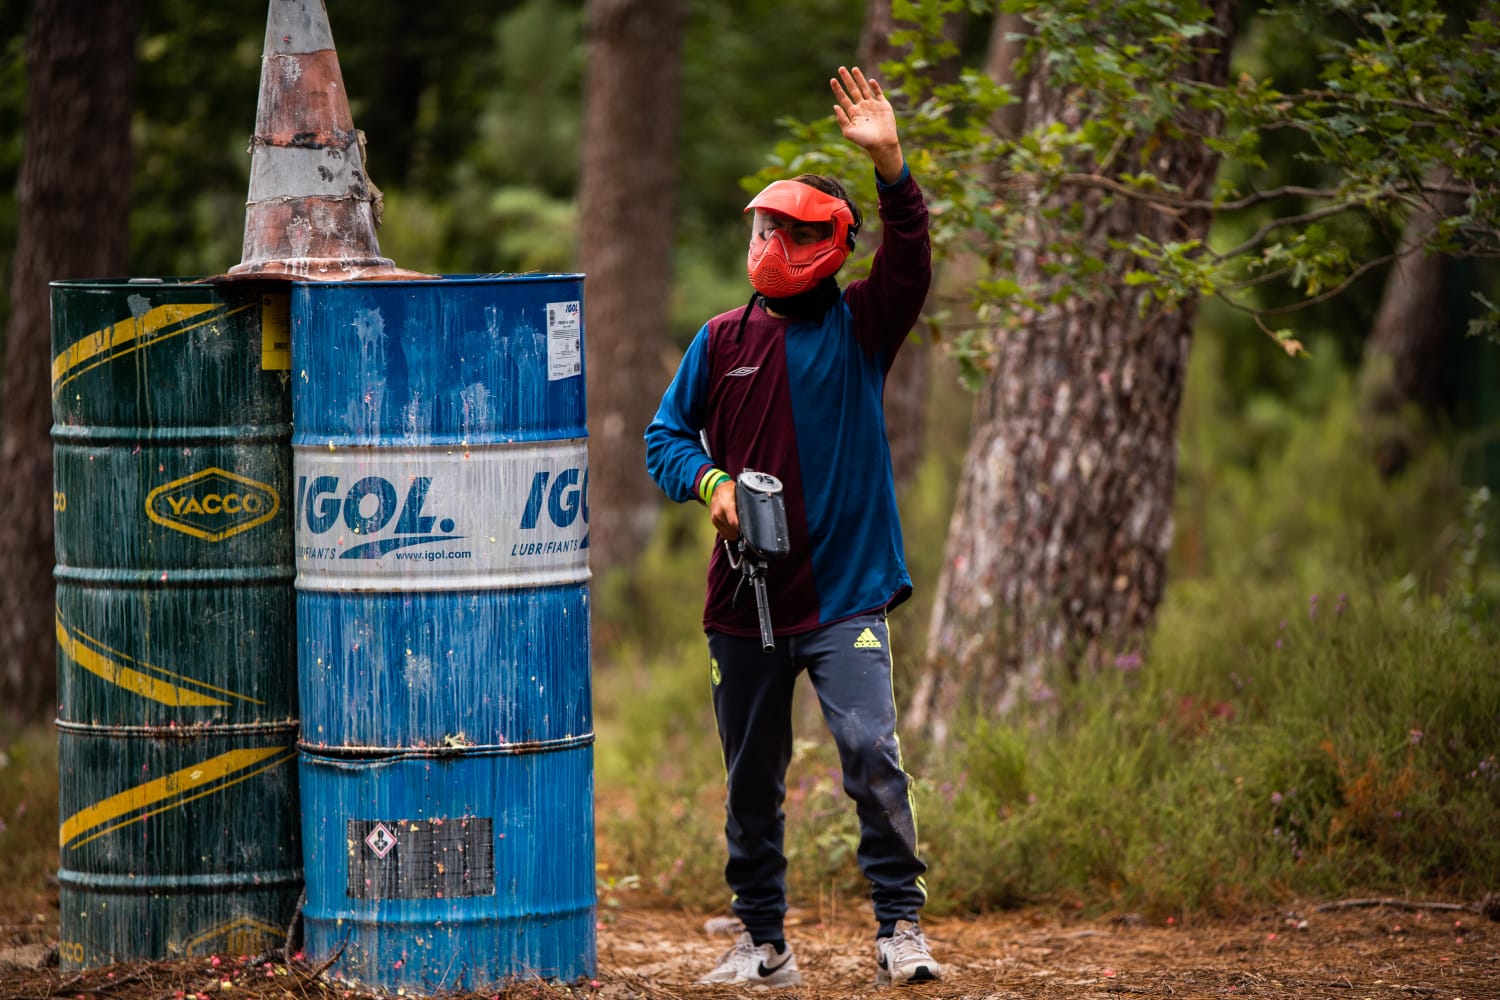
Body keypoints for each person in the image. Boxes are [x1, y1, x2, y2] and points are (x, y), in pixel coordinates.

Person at [643, 66, 939, 987]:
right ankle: (763, 942)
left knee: (869, 754)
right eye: (766, 227)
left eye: (794, 230)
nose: (772, 241)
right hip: (746, 602)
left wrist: (890, 164)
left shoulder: (861, 326)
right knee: (750, 780)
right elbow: (662, 437)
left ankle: (901, 928)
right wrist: (712, 483)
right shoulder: (720, 341)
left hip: (845, 591)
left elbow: (912, 258)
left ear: (831, 243)